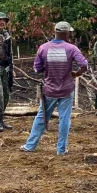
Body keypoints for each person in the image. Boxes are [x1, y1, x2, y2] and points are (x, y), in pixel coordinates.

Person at [21, 21, 87, 155]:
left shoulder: (43, 48)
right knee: (64, 119)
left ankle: (30, 145)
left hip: (49, 89)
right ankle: (61, 149)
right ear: (67, 33)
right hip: (66, 89)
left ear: (55, 31)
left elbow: (37, 68)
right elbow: (84, 64)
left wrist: (48, 68)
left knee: (41, 117)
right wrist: (76, 74)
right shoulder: (71, 48)